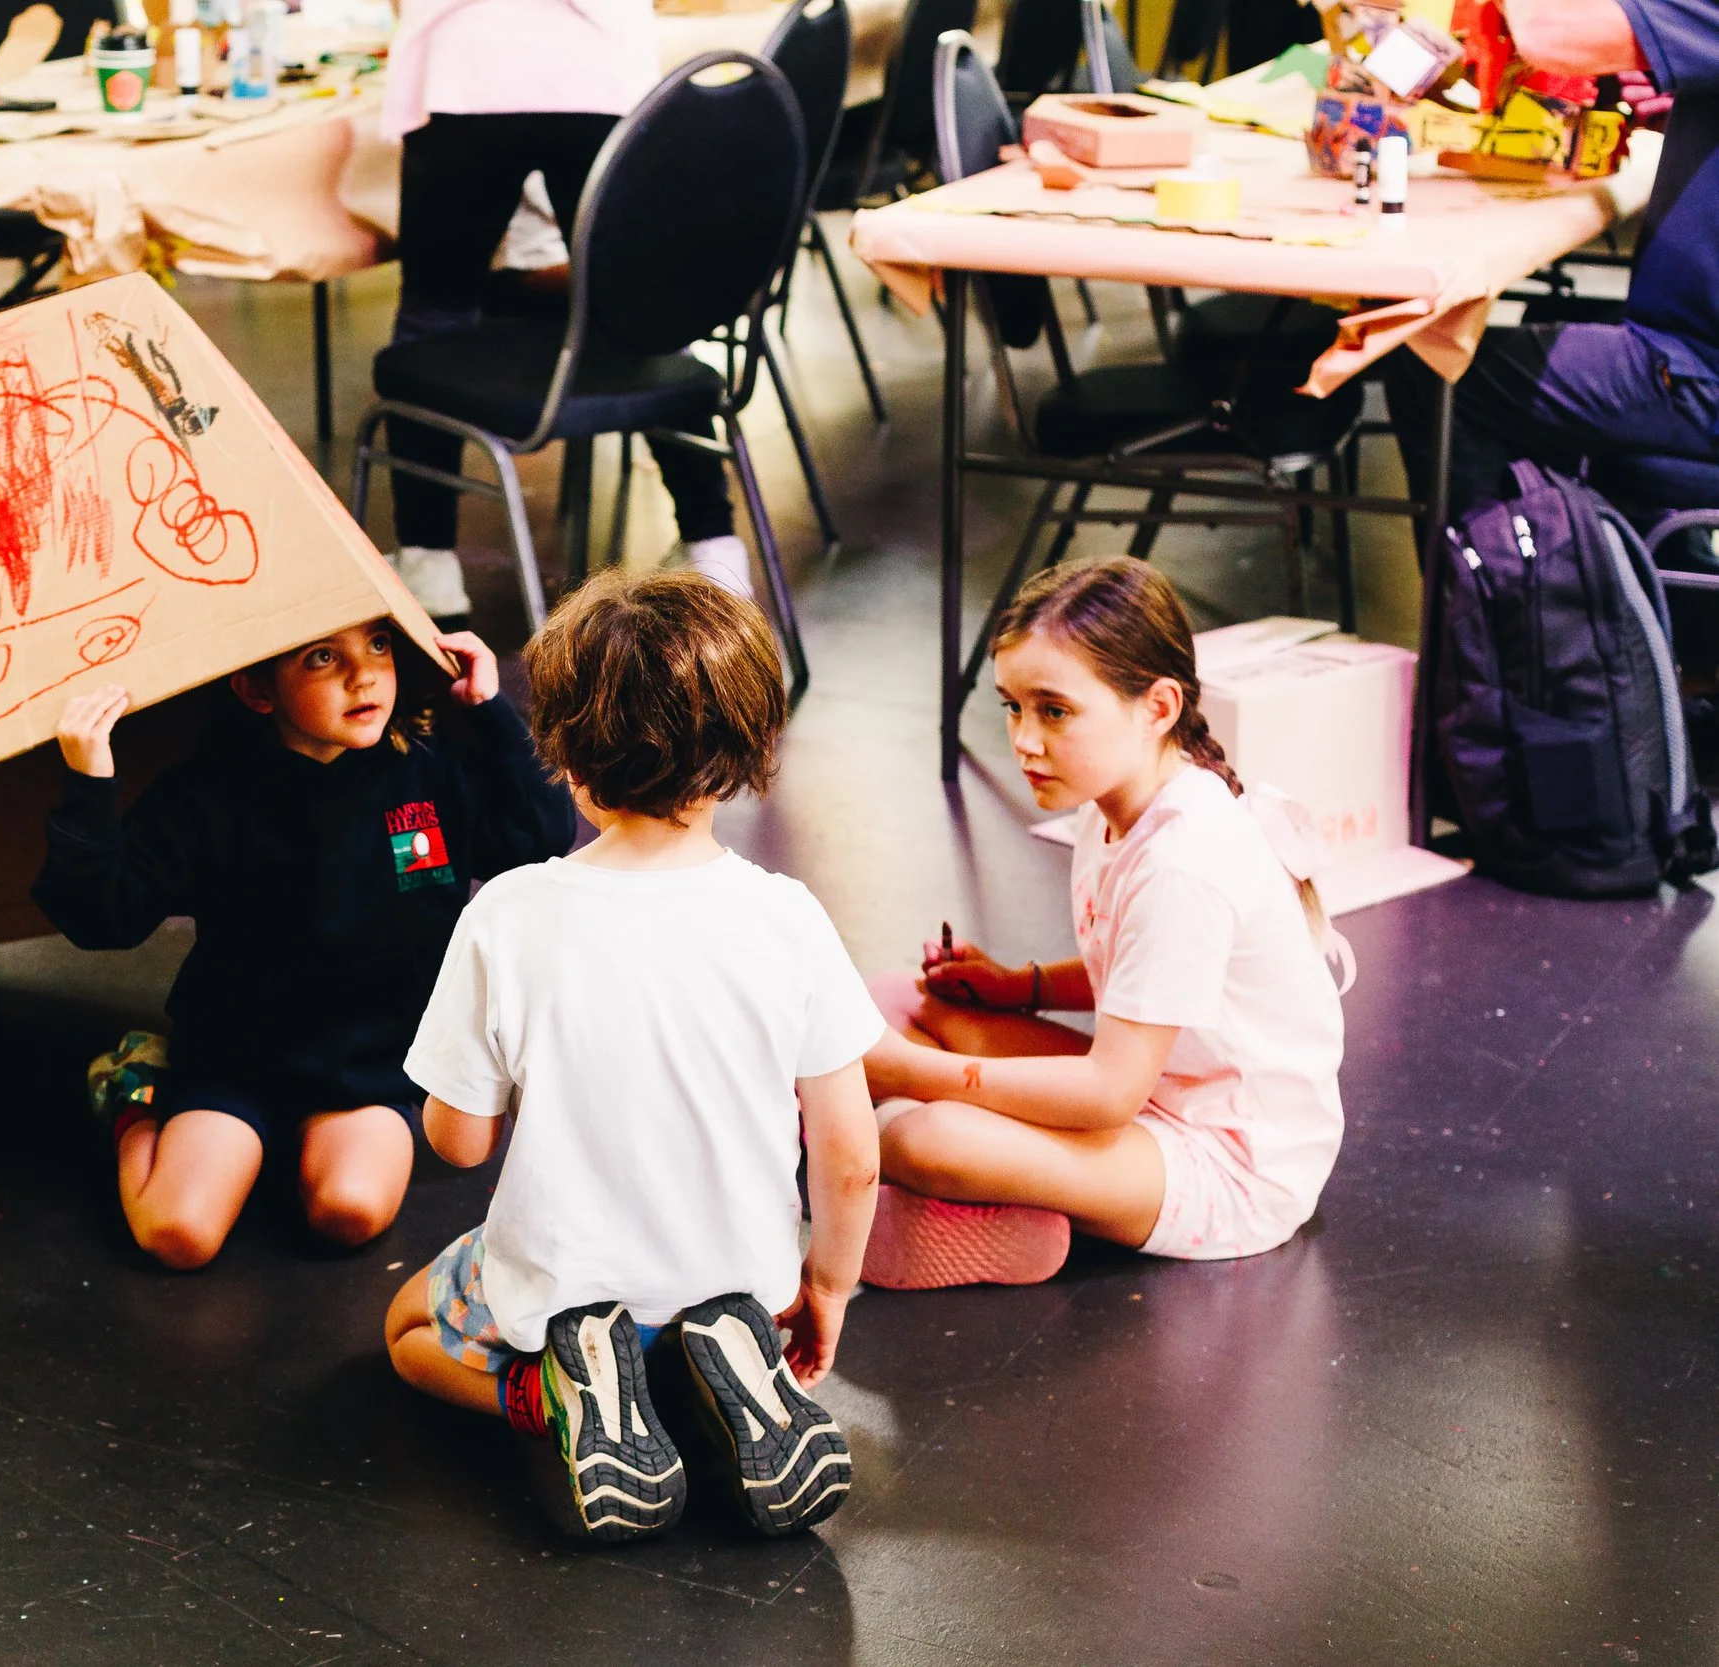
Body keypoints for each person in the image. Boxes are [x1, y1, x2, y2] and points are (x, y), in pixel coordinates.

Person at [383, 572, 881, 1543]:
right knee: (711, 1313)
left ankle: (564, 1398)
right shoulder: (787, 916)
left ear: (563, 752)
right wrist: (822, 1288)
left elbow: (457, 1141)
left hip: (561, 1286)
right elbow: (850, 1153)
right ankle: (713, 1381)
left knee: (406, 1329)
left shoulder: (507, 915)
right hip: (743, 1279)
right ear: (746, 750)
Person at [861, 558, 1350, 1289]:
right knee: (895, 1001)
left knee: (919, 1132)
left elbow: (1107, 1094)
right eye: (1013, 707)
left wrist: (921, 1075)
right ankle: (1001, 1203)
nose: (1023, 739)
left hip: (1229, 1162)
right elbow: (1140, 975)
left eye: (1053, 711)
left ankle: (969, 1197)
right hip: (1158, 1090)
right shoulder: (1112, 802)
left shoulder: (1186, 860)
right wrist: (1016, 986)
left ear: (1157, 707)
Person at [33, 624, 575, 1271]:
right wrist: (88, 782)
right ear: (256, 690)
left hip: (365, 1067)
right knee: (176, 1233)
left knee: (350, 1210)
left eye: (378, 645)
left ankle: (278, 1149)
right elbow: (102, 918)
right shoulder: (207, 792)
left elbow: (538, 836)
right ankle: (136, 1093)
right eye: (323, 658)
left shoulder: (427, 771)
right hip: (236, 1059)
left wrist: (489, 709)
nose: (364, 673)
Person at [374, 0, 756, 618]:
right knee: (642, 311)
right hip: (596, 62)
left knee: (434, 314)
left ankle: (428, 564)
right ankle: (715, 546)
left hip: (466, 61)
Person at [1386, 0, 1719, 521]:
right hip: (1690, 341)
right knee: (1541, 330)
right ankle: (1583, 558)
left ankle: (1505, 594)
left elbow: (1547, 30)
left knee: (1432, 366)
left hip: (1698, 370)